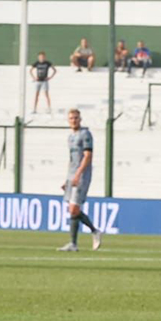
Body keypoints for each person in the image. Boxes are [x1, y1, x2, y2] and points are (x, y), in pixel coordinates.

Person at [58, 108, 102, 252]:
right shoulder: (70, 137)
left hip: (82, 175)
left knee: (74, 209)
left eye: (76, 118)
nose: (73, 120)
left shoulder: (85, 134)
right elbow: (71, 160)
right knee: (73, 210)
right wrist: (68, 178)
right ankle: (73, 244)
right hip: (72, 175)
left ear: (80, 119)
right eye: (71, 118)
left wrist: (78, 175)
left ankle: (94, 231)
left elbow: (87, 156)